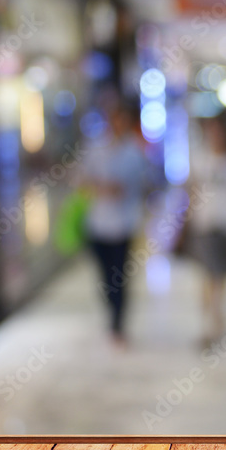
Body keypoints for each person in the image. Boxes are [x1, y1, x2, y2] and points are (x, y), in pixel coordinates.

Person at [77, 103, 148, 347]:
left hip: (123, 225)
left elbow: (145, 183)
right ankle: (111, 313)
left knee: (119, 278)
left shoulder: (134, 152)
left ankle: (118, 324)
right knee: (105, 278)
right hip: (98, 225)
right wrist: (100, 188)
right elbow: (81, 180)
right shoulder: (95, 149)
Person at [188, 111, 226, 342]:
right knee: (212, 277)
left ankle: (224, 321)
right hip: (206, 227)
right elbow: (191, 193)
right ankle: (213, 325)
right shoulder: (200, 161)